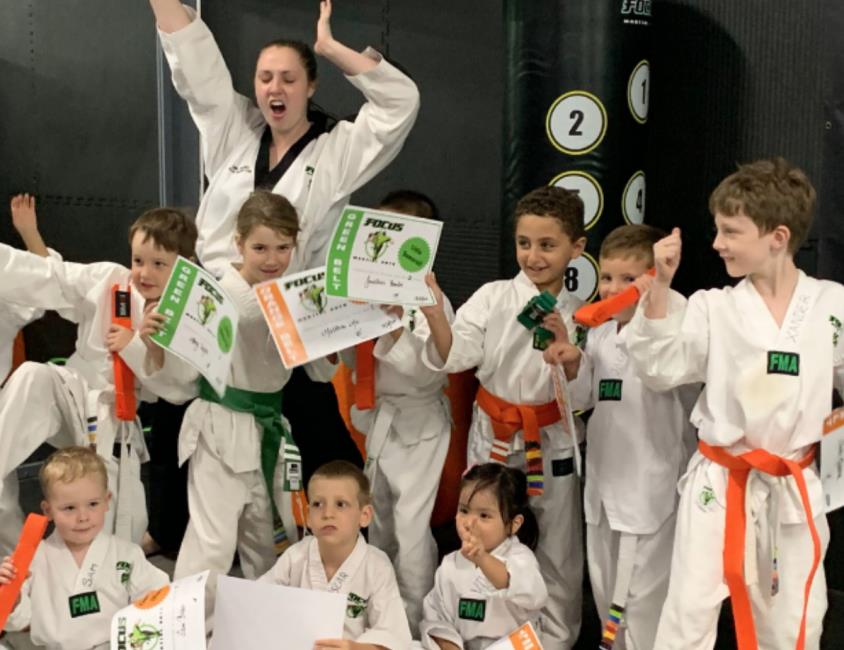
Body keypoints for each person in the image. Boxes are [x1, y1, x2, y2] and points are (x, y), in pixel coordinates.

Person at [148, 0, 418, 487]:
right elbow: (195, 62)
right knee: (176, 430)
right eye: (266, 77)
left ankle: (344, 518)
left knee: (322, 443)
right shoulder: (233, 127)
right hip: (216, 302)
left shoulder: (335, 149)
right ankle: (168, 522)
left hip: (284, 315)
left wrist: (329, 47)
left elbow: (399, 104)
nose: (275, 88)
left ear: (311, 86)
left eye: (289, 79)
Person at [626, 157, 844, 650]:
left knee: (794, 620)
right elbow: (659, 368)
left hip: (792, 482)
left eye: (730, 231)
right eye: (717, 229)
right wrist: (660, 287)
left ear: (777, 237)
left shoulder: (832, 306)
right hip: (720, 481)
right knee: (688, 615)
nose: (717, 243)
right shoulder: (713, 307)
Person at [420, 185, 587, 649]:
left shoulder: (582, 314)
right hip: (494, 434)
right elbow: (456, 354)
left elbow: (585, 391)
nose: (533, 256)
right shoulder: (493, 297)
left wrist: (568, 352)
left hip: (551, 437)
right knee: (481, 534)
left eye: (547, 245)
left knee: (558, 548)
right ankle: (479, 635)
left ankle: (556, 641)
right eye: (524, 243)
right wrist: (435, 316)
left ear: (576, 248)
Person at [145, 191, 336, 584]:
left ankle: (267, 618)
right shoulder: (217, 296)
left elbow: (319, 372)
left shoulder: (294, 297)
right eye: (260, 248)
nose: (272, 259)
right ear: (239, 243)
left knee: (271, 539)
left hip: (271, 425)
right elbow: (182, 379)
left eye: (283, 248)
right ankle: (187, 620)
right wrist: (154, 343)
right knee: (212, 543)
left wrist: (332, 337)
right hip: (221, 426)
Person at [0, 202, 197, 553]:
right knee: (32, 375)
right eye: (138, 260)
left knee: (118, 523)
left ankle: (101, 570)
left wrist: (137, 345)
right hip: (69, 391)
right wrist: (29, 235)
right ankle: (13, 555)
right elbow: (53, 277)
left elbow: (178, 389)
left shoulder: (183, 316)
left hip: (115, 415)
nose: (144, 273)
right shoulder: (110, 279)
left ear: (184, 267)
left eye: (158, 264)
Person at [544, 224, 699, 650]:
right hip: (604, 485)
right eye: (607, 277)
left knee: (642, 602)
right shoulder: (600, 332)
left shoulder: (677, 324)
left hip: (650, 490)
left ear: (655, 275)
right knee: (605, 591)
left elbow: (673, 377)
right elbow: (585, 399)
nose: (613, 288)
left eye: (628, 279)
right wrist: (572, 362)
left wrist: (655, 301)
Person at [343, 190, 453, 634]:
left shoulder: (430, 300)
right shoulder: (365, 292)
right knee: (381, 521)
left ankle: (414, 621)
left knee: (411, 528)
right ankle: (382, 612)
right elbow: (353, 362)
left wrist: (392, 329)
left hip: (419, 423)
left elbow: (432, 369)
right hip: (381, 420)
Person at [0, 447, 168, 650]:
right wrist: (11, 598)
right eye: (69, 508)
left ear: (107, 501)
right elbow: (21, 621)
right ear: (48, 510)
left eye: (93, 504)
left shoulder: (126, 554)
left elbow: (158, 596)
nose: (83, 517)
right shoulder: (34, 559)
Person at [258, 460, 412, 650]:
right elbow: (258, 600)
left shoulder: (377, 566)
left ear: (364, 515)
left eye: (340, 504)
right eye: (318, 504)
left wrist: (353, 648)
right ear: (308, 516)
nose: (327, 513)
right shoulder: (295, 556)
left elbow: (392, 636)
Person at [419, 463, 547, 650]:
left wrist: (483, 559)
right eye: (464, 511)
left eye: (484, 515)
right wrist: (449, 645)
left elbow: (523, 587)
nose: (469, 522)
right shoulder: (450, 564)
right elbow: (437, 618)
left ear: (514, 524)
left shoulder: (521, 558)